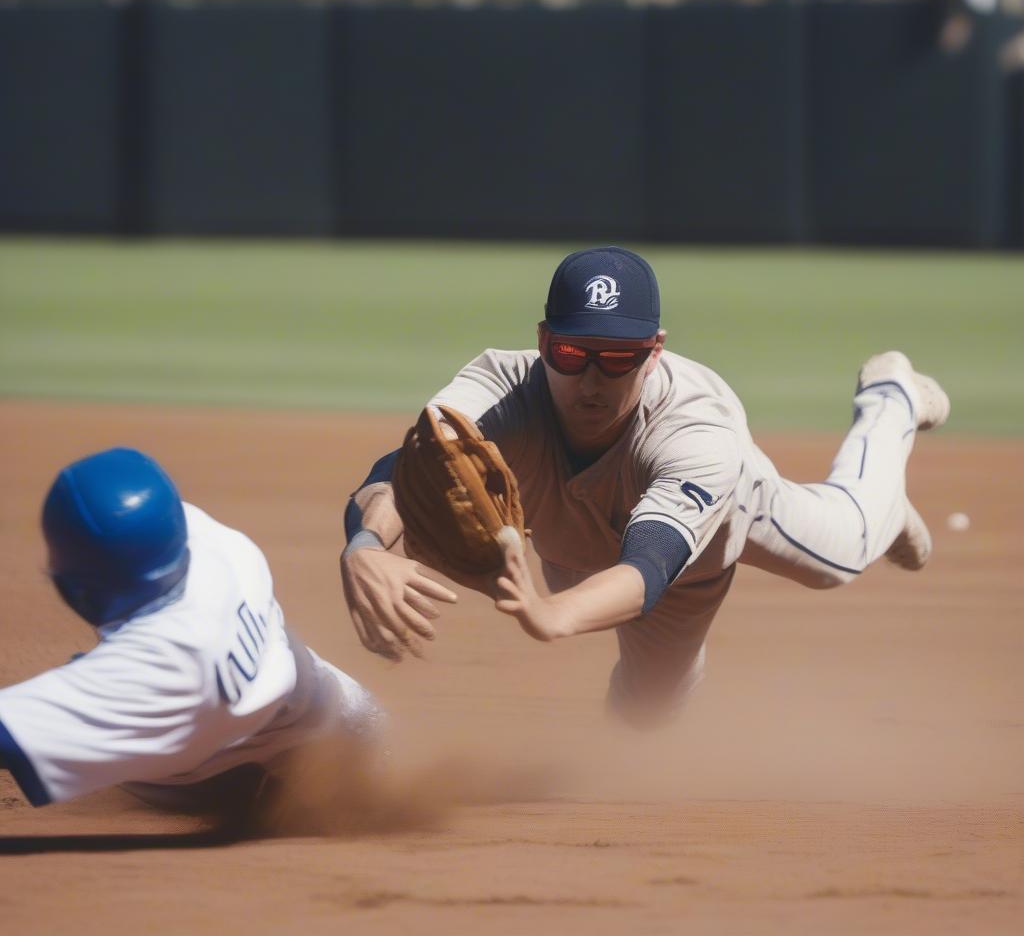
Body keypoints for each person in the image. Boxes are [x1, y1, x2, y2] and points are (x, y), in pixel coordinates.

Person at [340, 246, 949, 727]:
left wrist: (554, 615)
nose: (593, 380)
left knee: (840, 554)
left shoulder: (696, 429)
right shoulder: (499, 387)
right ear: (544, 342)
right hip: (575, 557)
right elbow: (409, 468)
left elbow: (650, 567)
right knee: (645, 718)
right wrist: (365, 544)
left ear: (654, 352)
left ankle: (888, 402)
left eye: (619, 356)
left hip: (698, 556)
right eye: (575, 353)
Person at [0, 447, 380, 811]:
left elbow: (11, 736)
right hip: (342, 710)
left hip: (230, 779)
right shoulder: (212, 541)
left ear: (76, 592)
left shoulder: (168, 662)